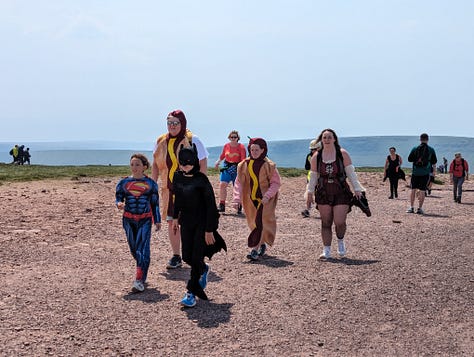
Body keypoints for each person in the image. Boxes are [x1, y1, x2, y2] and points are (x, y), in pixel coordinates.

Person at [152, 109, 209, 269]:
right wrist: (152, 183)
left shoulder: (193, 140)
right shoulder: (161, 141)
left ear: (182, 123)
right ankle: (176, 255)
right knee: (172, 222)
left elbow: (203, 162)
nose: (172, 126)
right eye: (169, 123)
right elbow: (156, 163)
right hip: (169, 189)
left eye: (176, 123)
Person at [172, 145, 227, 308]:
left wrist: (210, 229)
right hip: (186, 221)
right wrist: (175, 217)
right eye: (182, 162)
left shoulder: (201, 180)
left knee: (195, 257)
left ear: (195, 161)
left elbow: (211, 206)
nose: (185, 166)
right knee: (187, 256)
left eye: (188, 162)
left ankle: (191, 293)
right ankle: (204, 268)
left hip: (202, 223)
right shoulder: (177, 177)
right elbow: (178, 198)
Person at [306, 129, 366, 260]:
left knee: (340, 222)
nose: (326, 140)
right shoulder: (317, 157)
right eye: (324, 137)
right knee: (326, 222)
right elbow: (313, 176)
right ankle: (326, 250)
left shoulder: (342, 154)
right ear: (321, 140)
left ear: (334, 139)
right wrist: (309, 193)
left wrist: (357, 188)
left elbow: (351, 173)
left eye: (329, 137)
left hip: (340, 191)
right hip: (323, 191)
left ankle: (340, 241)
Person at [115, 153, 162, 292]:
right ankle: (143, 264)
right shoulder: (123, 183)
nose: (134, 167)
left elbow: (155, 203)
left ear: (144, 167)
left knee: (142, 248)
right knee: (134, 249)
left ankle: (139, 280)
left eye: (137, 165)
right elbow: (118, 198)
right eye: (132, 164)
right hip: (128, 219)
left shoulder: (151, 184)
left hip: (145, 219)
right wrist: (118, 204)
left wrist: (157, 220)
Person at [233, 137, 281, 261]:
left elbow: (276, 183)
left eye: (256, 149)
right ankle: (261, 244)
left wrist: (267, 195)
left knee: (261, 222)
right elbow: (239, 182)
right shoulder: (243, 165)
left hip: (265, 200)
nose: (254, 152)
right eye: (252, 149)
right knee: (253, 223)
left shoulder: (269, 165)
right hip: (250, 199)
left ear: (262, 150)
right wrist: (237, 198)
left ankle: (254, 250)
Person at [214, 130, 246, 214]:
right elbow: (222, 156)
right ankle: (222, 205)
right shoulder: (226, 146)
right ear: (229, 137)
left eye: (235, 137)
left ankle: (239, 205)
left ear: (237, 138)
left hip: (237, 168)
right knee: (222, 185)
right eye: (232, 137)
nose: (233, 138)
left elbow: (243, 160)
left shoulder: (241, 147)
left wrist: (242, 170)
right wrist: (217, 162)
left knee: (238, 187)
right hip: (226, 167)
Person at [406, 133, 437, 215]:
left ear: (420, 139)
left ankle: (411, 207)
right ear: (427, 139)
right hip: (425, 173)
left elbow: (409, 159)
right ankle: (420, 208)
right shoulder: (431, 149)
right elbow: (434, 162)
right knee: (423, 191)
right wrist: (433, 171)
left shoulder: (415, 148)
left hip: (415, 172)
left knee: (413, 190)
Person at [302, 139, 321, 217]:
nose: (313, 151)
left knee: (311, 192)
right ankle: (308, 209)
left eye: (314, 149)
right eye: (312, 149)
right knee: (310, 193)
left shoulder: (309, 156)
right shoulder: (323, 155)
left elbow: (307, 167)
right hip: (315, 177)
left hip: (314, 177)